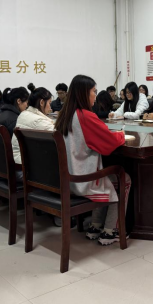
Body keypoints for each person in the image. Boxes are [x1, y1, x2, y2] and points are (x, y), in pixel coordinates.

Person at [55, 75, 131, 246]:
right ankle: (111, 230)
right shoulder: (85, 116)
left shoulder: (65, 115)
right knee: (123, 179)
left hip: (66, 178)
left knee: (105, 178)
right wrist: (121, 135)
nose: (95, 96)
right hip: (82, 179)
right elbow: (109, 142)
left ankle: (95, 226)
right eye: (94, 92)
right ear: (84, 93)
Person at [12, 84, 55, 165]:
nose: (50, 107)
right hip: (28, 163)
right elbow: (59, 136)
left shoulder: (23, 114)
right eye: (49, 103)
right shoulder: (38, 120)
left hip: (19, 159)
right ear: (42, 102)